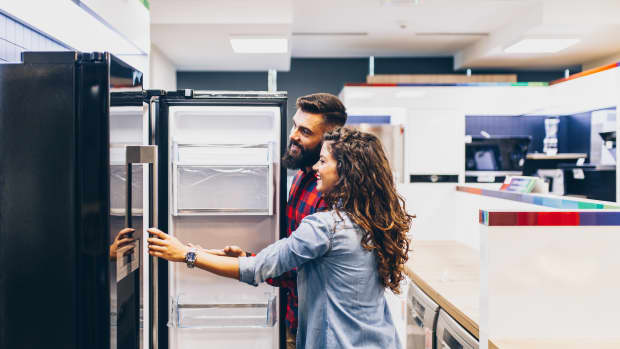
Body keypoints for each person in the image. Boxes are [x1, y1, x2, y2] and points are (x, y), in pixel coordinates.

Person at [147, 127, 413, 349]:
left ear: (345, 170)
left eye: (323, 161)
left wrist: (187, 255)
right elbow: (279, 261)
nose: (316, 168)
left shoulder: (326, 227)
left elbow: (255, 270)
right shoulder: (374, 221)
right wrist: (229, 256)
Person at [206, 92, 348, 348]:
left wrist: (191, 256)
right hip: (294, 316)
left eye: (305, 131)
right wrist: (250, 257)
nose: (293, 135)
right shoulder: (300, 179)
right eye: (295, 125)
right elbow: (292, 251)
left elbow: (301, 269)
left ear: (329, 141)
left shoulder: (330, 198)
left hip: (319, 328)